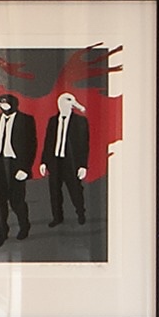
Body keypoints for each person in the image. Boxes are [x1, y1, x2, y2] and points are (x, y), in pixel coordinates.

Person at [48, 85, 103, 239]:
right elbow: (48, 142)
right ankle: (57, 217)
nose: (73, 103)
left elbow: (83, 145)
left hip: (71, 161)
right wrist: (44, 162)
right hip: (55, 160)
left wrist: (82, 165)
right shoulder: (53, 121)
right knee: (54, 191)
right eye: (68, 100)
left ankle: (81, 214)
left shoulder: (80, 121)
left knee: (75, 189)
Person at [0, 90, 37, 247]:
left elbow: (31, 146)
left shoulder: (26, 120)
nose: (1, 107)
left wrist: (25, 168)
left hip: (16, 165)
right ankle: (2, 231)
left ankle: (24, 226)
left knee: (17, 200)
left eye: (4, 103)